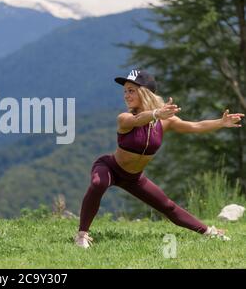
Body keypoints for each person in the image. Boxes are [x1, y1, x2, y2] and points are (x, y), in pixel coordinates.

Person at [75, 69, 244, 248]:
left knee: (168, 206)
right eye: (125, 91)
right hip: (110, 167)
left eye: (131, 90)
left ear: (145, 92)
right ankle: (82, 235)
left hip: (133, 177)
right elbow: (139, 119)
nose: (126, 95)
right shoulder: (125, 118)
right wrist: (156, 114)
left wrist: (220, 122)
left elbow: (194, 125)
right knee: (98, 183)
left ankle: (210, 232)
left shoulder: (166, 121)